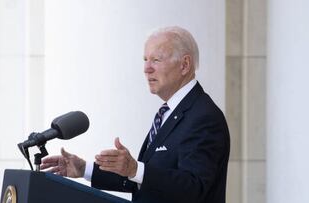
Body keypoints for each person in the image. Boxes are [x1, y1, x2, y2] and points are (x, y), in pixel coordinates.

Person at [40, 26, 230, 203]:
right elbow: (145, 180)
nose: (147, 68)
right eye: (145, 60)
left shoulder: (203, 117)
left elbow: (194, 187)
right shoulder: (169, 112)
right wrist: (83, 168)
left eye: (156, 60)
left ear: (184, 65)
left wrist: (135, 168)